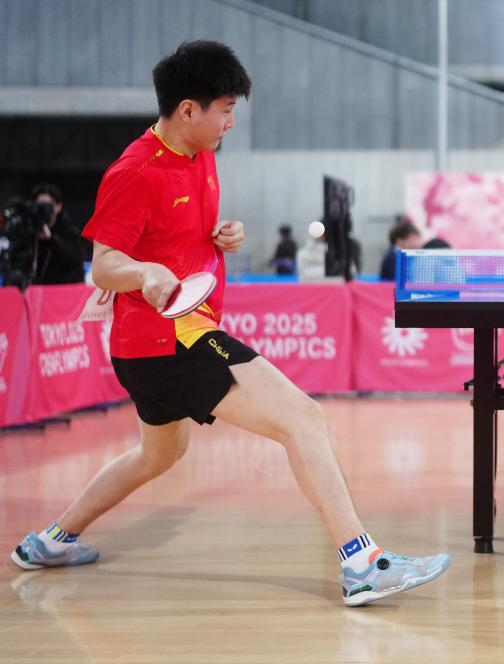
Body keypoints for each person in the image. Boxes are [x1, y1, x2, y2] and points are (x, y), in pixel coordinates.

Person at [9, 41, 450, 606]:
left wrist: (222, 237)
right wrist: (143, 273)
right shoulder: (135, 171)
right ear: (187, 109)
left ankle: (51, 541)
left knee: (158, 455)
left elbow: (176, 234)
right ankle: (362, 564)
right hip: (172, 337)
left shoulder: (202, 154)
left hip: (150, 349)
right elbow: (104, 264)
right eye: (224, 109)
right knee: (303, 418)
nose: (231, 122)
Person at [30, 183, 85, 285]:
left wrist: (51, 239)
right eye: (39, 205)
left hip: (62, 289)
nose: (42, 210)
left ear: (58, 207)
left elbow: (74, 261)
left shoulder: (70, 232)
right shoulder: (29, 231)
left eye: (47, 205)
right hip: (34, 289)